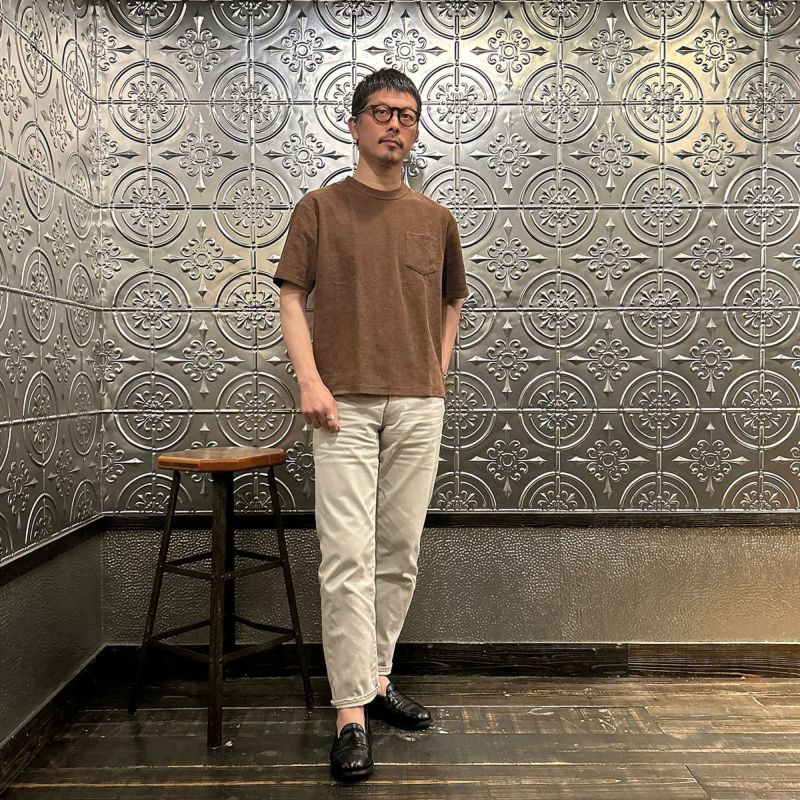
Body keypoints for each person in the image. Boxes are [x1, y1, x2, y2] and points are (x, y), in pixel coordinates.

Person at [274, 67, 467, 782]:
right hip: (342, 405)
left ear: (415, 132)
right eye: (382, 112)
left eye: (407, 115)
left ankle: (377, 679)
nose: (395, 124)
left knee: (398, 552)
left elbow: (452, 301)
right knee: (345, 558)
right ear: (355, 124)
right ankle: (350, 713)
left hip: (418, 404)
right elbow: (291, 298)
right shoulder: (320, 208)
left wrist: (436, 373)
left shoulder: (436, 219)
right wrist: (309, 380)